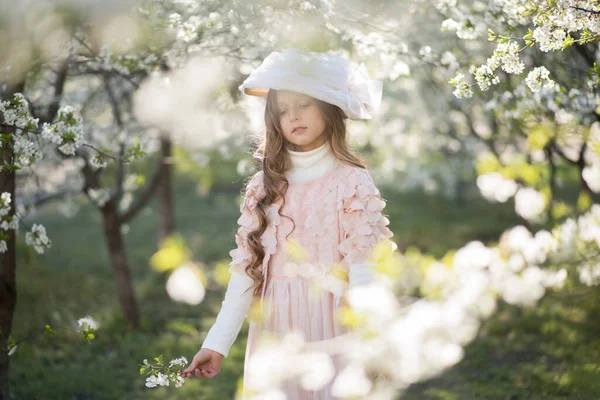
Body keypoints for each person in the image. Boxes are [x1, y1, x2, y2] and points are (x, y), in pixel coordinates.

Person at [182, 48, 394, 399]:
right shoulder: (264, 188)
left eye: (303, 104)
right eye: (282, 110)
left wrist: (372, 336)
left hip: (334, 325)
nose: (292, 116)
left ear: (328, 105)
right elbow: (246, 272)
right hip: (276, 328)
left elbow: (364, 267)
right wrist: (216, 343)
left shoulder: (352, 182)